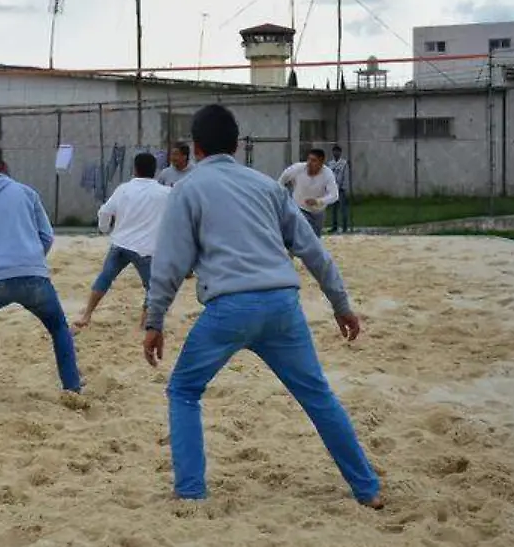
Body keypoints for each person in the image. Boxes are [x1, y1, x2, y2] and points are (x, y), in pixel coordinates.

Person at [143, 104, 383, 509]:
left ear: (196, 148)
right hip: (282, 305)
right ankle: (368, 489)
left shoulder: (187, 189)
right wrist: (340, 304)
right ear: (237, 145)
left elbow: (169, 262)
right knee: (318, 396)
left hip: (228, 309)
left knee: (183, 390)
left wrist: (155, 319)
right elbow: (312, 250)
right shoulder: (267, 186)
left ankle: (190, 492)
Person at [0, 141, 82, 410]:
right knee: (59, 329)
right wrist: (31, 260)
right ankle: (72, 389)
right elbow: (47, 236)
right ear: (3, 166)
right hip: (33, 274)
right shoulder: (26, 193)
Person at [76, 152, 171, 333]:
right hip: (146, 249)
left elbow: (105, 212)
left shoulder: (123, 189)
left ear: (135, 169)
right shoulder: (165, 193)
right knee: (152, 288)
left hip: (120, 243)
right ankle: (144, 323)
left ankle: (87, 315)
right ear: (155, 170)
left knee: (105, 278)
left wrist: (104, 229)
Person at [278, 149, 339, 238]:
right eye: (309, 159)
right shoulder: (297, 168)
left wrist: (318, 201)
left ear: (321, 163)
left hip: (318, 212)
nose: (309, 163)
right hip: (299, 208)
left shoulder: (328, 174)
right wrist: (281, 195)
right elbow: (282, 180)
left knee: (315, 238)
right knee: (300, 236)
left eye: (314, 160)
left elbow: (334, 195)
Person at [328, 145, 351, 234]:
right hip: (333, 188)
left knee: (343, 208)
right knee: (334, 209)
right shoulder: (330, 164)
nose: (336, 153)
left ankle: (345, 227)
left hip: (341, 189)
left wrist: (343, 187)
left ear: (340, 153)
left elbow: (345, 176)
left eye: (338, 151)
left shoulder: (344, 163)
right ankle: (334, 226)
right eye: (334, 151)